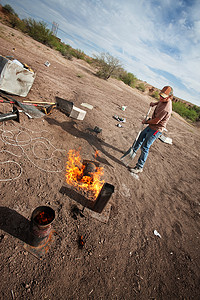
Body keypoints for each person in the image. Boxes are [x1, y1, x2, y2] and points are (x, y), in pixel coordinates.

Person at [129, 85, 173, 174]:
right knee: (140, 137)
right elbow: (160, 101)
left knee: (145, 146)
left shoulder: (166, 109)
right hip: (151, 124)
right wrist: (154, 104)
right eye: (160, 95)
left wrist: (146, 122)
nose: (160, 98)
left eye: (163, 97)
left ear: (169, 97)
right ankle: (132, 153)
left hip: (156, 128)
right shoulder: (163, 99)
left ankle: (139, 167)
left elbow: (156, 121)